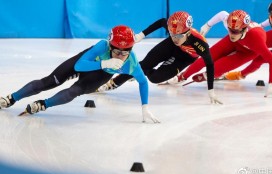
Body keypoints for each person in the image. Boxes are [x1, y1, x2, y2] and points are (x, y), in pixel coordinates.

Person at [0, 25, 160, 123]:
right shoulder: (102, 46)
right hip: (88, 62)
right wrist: (103, 63)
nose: (120, 56)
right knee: (48, 81)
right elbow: (79, 65)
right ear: (110, 46)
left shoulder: (131, 64)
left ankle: (43, 104)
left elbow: (143, 82)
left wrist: (145, 107)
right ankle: (11, 98)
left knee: (74, 91)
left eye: (125, 52)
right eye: (116, 51)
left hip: (100, 76)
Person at [98, 11, 222, 104]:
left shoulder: (200, 44)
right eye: (172, 34)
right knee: (145, 64)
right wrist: (141, 35)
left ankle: (141, 71)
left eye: (178, 36)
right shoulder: (174, 33)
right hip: (170, 47)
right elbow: (161, 21)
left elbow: (210, 65)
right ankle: (114, 83)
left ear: (188, 33)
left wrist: (211, 91)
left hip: (185, 58)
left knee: (155, 78)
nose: (175, 38)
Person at [171, 9, 272, 98]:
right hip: (235, 43)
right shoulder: (233, 25)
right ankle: (182, 76)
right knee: (206, 58)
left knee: (216, 68)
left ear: (244, 29)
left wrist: (271, 85)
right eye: (229, 29)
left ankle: (208, 75)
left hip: (248, 51)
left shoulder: (257, 40)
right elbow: (222, 14)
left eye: (235, 31)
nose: (231, 33)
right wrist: (207, 25)